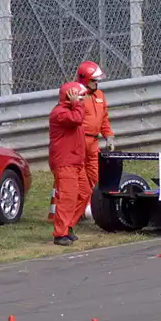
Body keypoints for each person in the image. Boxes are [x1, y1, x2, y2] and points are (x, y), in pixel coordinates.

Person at [49, 81, 91, 246]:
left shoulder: (71, 110)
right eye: (79, 97)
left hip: (76, 162)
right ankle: (60, 234)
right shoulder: (60, 113)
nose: (82, 101)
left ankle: (68, 226)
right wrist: (76, 104)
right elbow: (78, 119)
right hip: (65, 163)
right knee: (67, 198)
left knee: (84, 193)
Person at [76, 61, 115, 219]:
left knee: (97, 177)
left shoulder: (100, 95)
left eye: (97, 80)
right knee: (79, 181)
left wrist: (109, 137)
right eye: (94, 80)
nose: (96, 83)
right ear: (84, 79)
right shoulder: (77, 94)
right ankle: (75, 214)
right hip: (78, 141)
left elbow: (104, 119)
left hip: (93, 143)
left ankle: (96, 208)